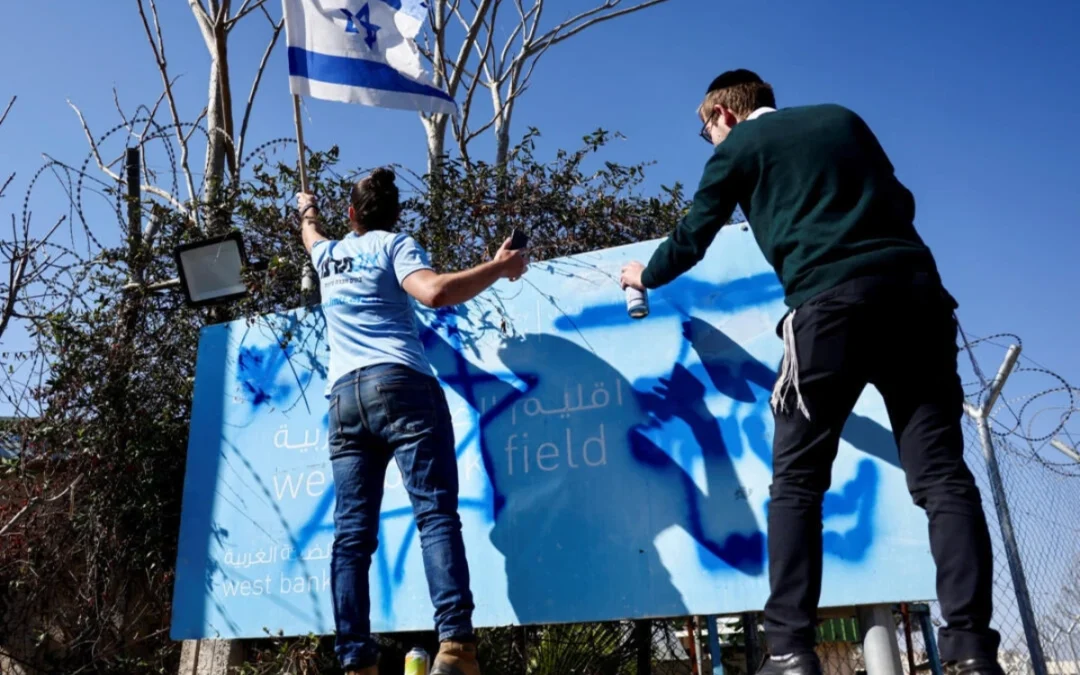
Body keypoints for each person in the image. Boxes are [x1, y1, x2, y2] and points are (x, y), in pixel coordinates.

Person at [620, 70, 1003, 675]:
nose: (709, 141)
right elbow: (900, 200)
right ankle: (971, 650)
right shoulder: (843, 119)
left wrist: (643, 274)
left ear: (723, 113)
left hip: (828, 308)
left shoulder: (739, 147)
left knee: (797, 484)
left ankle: (790, 651)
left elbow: (693, 235)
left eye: (705, 131)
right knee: (942, 479)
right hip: (918, 300)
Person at [297, 168, 527, 675]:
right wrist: (499, 267)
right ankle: (456, 647)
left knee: (351, 537)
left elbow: (310, 233)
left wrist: (306, 208)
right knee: (435, 515)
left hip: (345, 398)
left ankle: (356, 659)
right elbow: (434, 293)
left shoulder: (327, 254)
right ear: (395, 215)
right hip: (401, 385)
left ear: (351, 214)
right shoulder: (394, 245)